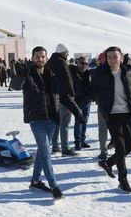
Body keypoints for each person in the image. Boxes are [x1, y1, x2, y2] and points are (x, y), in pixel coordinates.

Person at [21, 46, 85, 200]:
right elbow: (16, 84)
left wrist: (78, 112)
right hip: (36, 120)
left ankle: (35, 181)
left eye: (42, 56)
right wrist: (22, 73)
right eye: (36, 56)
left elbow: (65, 97)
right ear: (32, 58)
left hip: (52, 121)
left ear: (46, 58)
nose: (39, 59)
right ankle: (54, 186)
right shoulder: (28, 75)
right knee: (46, 152)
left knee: (43, 152)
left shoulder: (53, 77)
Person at [88, 46, 131, 193]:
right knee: (119, 147)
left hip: (126, 113)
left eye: (115, 57)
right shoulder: (100, 73)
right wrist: (100, 101)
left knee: (130, 146)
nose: (112, 60)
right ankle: (123, 180)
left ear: (121, 58)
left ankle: (108, 163)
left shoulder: (128, 73)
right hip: (111, 115)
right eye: (109, 57)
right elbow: (91, 90)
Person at [49, 43, 78, 156]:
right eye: (66, 52)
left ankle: (55, 145)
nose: (68, 54)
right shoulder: (61, 62)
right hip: (64, 97)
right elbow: (67, 79)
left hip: (53, 97)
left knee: (56, 122)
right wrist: (72, 95)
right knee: (65, 123)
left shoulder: (50, 62)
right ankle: (65, 147)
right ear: (62, 52)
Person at [70, 57, 92, 151]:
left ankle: (82, 140)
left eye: (86, 64)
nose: (84, 65)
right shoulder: (73, 74)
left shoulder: (89, 74)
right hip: (77, 101)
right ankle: (77, 142)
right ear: (77, 63)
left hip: (87, 101)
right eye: (82, 63)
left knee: (85, 121)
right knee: (78, 121)